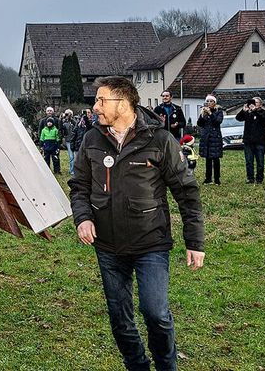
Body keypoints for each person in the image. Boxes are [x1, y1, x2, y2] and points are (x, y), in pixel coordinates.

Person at [69, 76, 204, 371]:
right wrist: (83, 218)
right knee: (120, 317)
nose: (95, 107)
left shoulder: (159, 140)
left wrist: (194, 242)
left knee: (155, 312)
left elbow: (186, 192)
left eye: (101, 100)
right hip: (107, 245)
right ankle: (137, 365)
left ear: (124, 103)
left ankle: (166, 366)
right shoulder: (92, 139)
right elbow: (78, 186)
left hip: (150, 243)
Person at [236, 97, 265, 184]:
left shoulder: (263, 112)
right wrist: (243, 110)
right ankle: (250, 178)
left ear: (261, 104)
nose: (254, 104)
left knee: (260, 161)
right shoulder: (248, 112)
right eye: (253, 102)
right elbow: (238, 118)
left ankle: (259, 178)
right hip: (248, 141)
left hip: (260, 141)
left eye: (256, 102)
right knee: (249, 161)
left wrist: (255, 111)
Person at [197, 95, 224, 185]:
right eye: (207, 101)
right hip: (206, 138)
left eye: (211, 101)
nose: (208, 103)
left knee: (216, 159)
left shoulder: (219, 112)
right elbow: (199, 124)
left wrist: (210, 114)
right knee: (208, 159)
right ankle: (208, 178)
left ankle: (217, 179)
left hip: (215, 137)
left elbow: (217, 122)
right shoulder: (204, 112)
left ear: (214, 103)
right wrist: (202, 115)